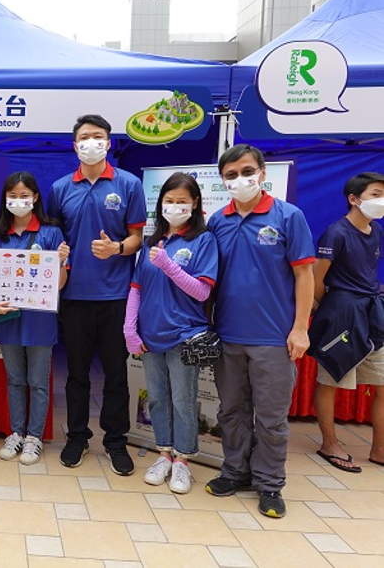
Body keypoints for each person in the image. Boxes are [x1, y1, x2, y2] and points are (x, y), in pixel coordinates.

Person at [205, 144, 315, 519]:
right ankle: (235, 471)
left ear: (263, 173)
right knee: (232, 410)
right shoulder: (218, 220)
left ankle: (269, 484)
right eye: (231, 175)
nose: (240, 179)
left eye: (247, 171)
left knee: (271, 418)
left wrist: (300, 329)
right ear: (223, 180)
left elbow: (304, 274)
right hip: (228, 335)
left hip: (274, 338)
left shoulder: (289, 216)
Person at [47, 114, 146, 474]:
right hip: (73, 297)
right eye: (85, 137)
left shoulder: (128, 184)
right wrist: (57, 254)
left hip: (117, 297)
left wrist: (117, 248)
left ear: (109, 142)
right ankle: (76, 437)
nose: (91, 142)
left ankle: (116, 441)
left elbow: (138, 237)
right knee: (76, 373)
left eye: (98, 136)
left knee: (116, 373)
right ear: (74, 146)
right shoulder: (59, 188)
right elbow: (53, 238)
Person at [123, 172, 218, 494]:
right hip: (150, 336)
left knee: (183, 401)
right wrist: (129, 328)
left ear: (194, 204)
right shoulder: (153, 240)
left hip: (184, 336)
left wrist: (169, 265)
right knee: (158, 399)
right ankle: (163, 452)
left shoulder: (203, 241)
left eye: (181, 202)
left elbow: (202, 293)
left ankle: (183, 460)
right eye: (169, 201)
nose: (175, 207)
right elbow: (136, 287)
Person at [0, 172, 69, 465]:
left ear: (35, 197)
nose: (19, 201)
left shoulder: (51, 232)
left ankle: (34, 437)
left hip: (40, 318)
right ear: (5, 199)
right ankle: (16, 433)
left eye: (25, 196)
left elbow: (59, 284)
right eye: (13, 196)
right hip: (8, 317)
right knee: (14, 380)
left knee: (38, 381)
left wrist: (60, 261)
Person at [309, 173, 384, 472]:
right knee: (331, 380)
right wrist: (324, 307)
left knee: (382, 380)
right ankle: (329, 443)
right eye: (376, 194)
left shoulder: (376, 231)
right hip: (341, 314)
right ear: (354, 199)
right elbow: (317, 276)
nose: (380, 201)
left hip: (372, 313)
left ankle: (379, 448)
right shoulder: (335, 233)